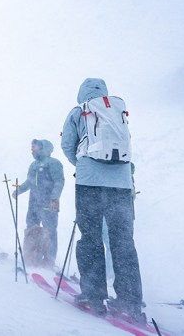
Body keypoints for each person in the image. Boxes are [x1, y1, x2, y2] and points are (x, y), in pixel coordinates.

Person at [61, 78, 144, 321]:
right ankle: (130, 303)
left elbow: (67, 145)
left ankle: (93, 296)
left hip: (89, 184)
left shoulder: (79, 111)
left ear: (81, 93)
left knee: (91, 238)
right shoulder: (117, 111)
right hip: (121, 184)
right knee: (123, 243)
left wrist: (84, 166)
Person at [13, 139, 64, 268]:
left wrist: (54, 199)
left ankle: (48, 261)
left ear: (43, 148)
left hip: (48, 203)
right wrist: (19, 190)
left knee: (49, 231)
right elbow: (29, 182)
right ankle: (30, 258)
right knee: (31, 229)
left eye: (34, 147)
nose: (32, 149)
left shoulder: (53, 163)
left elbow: (59, 181)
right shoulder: (34, 165)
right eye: (32, 147)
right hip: (34, 203)